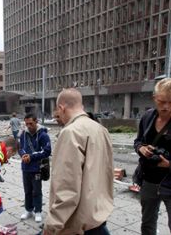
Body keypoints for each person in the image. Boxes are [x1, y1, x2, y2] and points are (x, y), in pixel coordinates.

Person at [43, 88, 113, 234]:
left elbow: (67, 188)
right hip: (98, 216)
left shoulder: (71, 133)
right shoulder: (100, 129)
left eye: (58, 113)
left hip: (78, 224)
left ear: (61, 108)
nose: (59, 118)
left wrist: (51, 226)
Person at [134, 76, 171, 235]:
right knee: (147, 224)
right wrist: (141, 148)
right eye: (161, 101)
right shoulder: (147, 117)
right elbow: (138, 141)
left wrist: (170, 164)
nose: (166, 106)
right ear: (154, 97)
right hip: (148, 180)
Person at [19, 113, 51, 223]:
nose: (28, 126)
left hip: (37, 168)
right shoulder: (23, 134)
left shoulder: (43, 135)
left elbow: (47, 151)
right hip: (25, 168)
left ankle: (38, 211)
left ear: (36, 121)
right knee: (27, 190)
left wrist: (31, 157)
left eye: (31, 123)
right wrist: (23, 155)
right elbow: (20, 147)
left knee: (37, 191)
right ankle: (28, 210)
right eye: (26, 123)